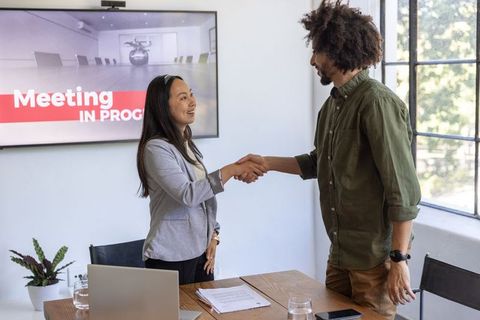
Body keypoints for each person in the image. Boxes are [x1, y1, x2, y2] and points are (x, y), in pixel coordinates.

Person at [237, 1, 421, 318]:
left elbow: (402, 191)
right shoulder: (333, 106)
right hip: (340, 255)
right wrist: (265, 161)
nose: (313, 60)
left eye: (318, 51)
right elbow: (316, 163)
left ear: (337, 49)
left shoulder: (375, 102)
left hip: (374, 262)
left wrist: (399, 261)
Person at [137, 74, 264, 285]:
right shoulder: (156, 148)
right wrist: (232, 170)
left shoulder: (185, 143)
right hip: (170, 258)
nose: (193, 102)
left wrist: (214, 234)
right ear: (162, 106)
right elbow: (188, 194)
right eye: (183, 97)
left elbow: (203, 200)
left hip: (200, 254)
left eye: (192, 95)